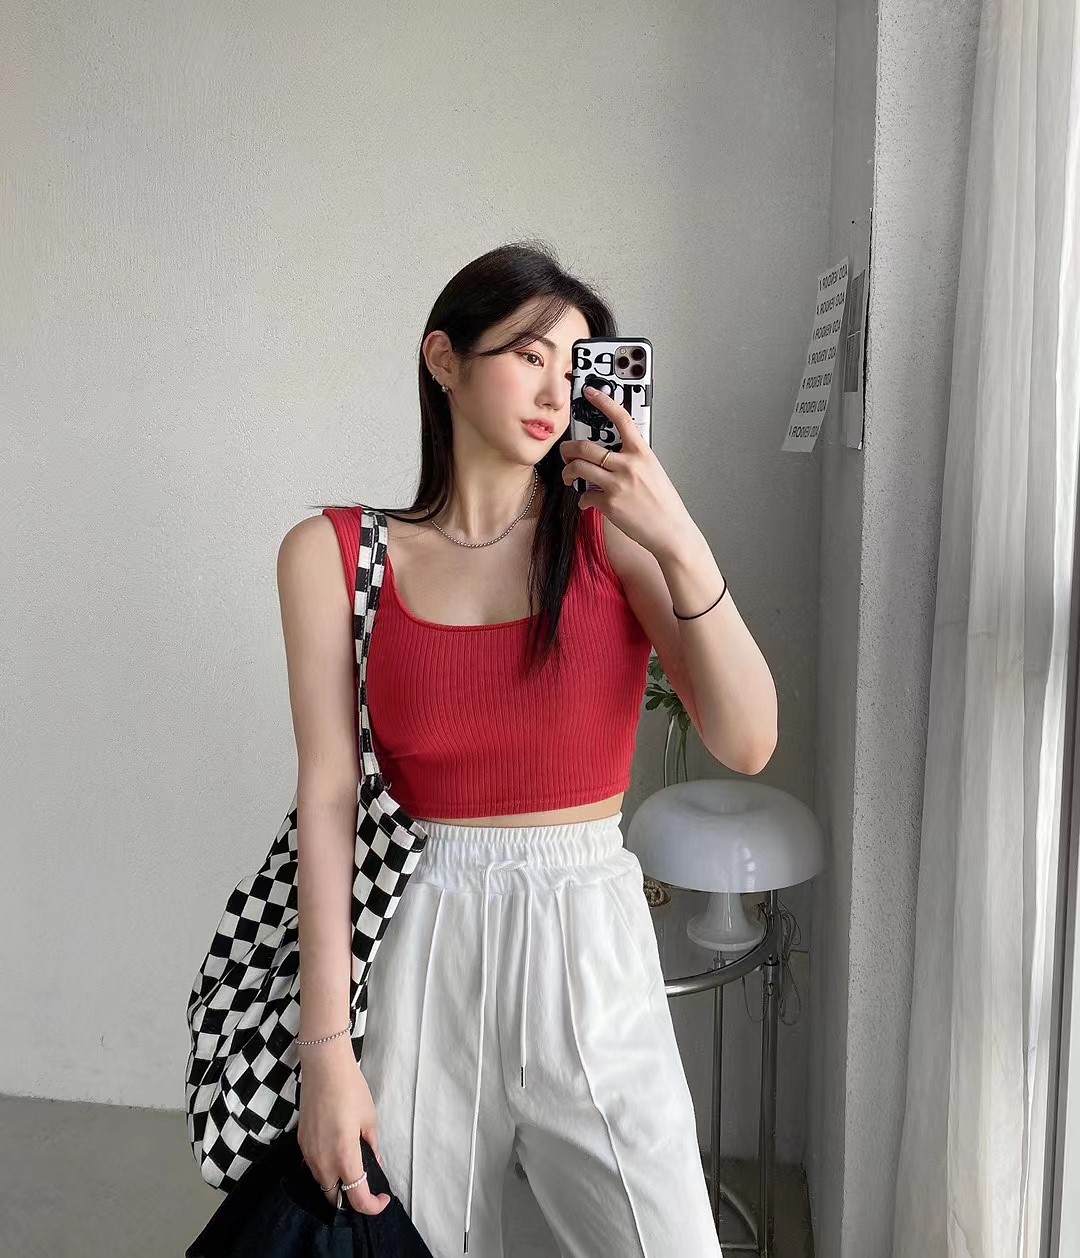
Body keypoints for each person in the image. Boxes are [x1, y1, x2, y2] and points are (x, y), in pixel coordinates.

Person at [275, 241, 776, 1256]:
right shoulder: (335, 555)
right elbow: (327, 800)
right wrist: (324, 1050)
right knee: (418, 1241)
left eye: (575, 364)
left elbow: (748, 737)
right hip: (419, 935)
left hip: (585, 928)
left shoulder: (614, 538)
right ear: (444, 360)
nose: (557, 391)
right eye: (528, 354)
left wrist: (677, 535)